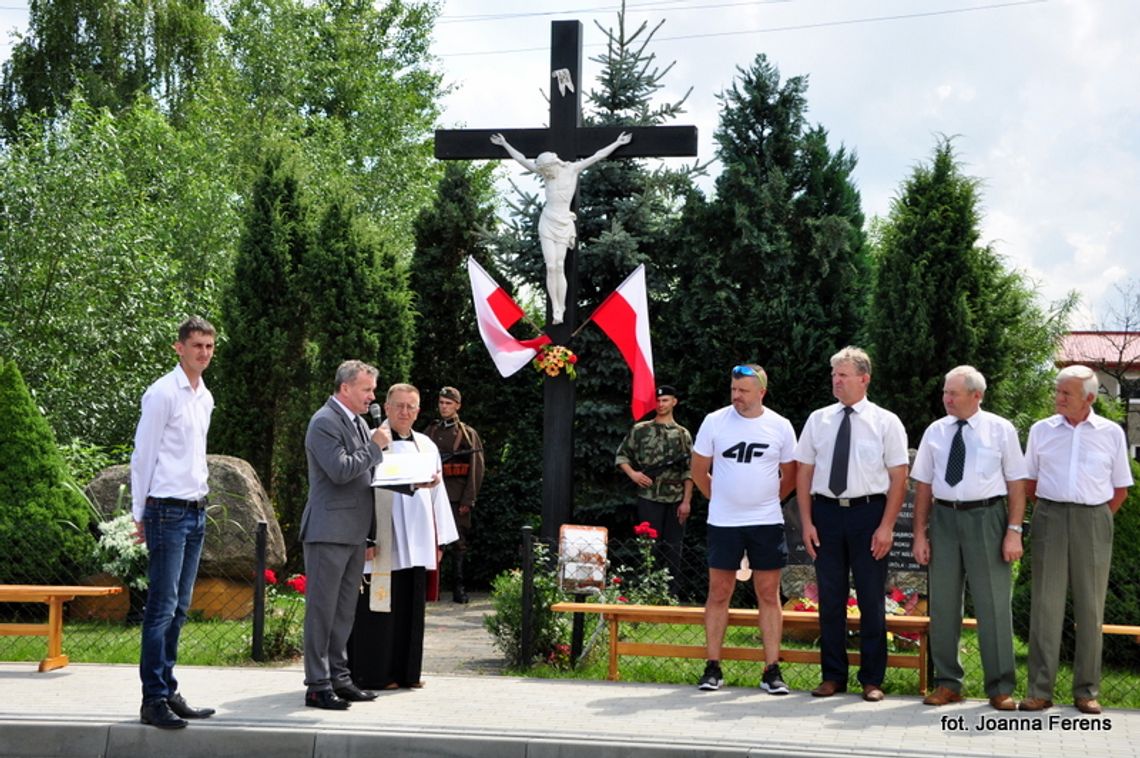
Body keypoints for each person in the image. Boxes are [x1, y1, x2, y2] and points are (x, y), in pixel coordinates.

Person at [794, 347, 908, 702]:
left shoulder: (886, 421)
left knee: (872, 599)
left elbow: (899, 477)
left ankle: (872, 679)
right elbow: (804, 472)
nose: (836, 381)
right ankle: (833, 676)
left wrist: (886, 526)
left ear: (864, 378)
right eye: (833, 375)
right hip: (826, 514)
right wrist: (807, 522)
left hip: (868, 514)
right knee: (830, 598)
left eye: (843, 375)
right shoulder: (819, 419)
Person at [911, 365, 1027, 712]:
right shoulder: (936, 430)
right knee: (944, 604)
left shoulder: (1000, 429)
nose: (946, 398)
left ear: (976, 395)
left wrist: (1014, 531)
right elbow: (924, 486)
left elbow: (1017, 483)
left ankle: (1000, 686)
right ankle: (948, 684)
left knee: (993, 603)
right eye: (945, 392)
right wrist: (919, 533)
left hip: (987, 517)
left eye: (953, 393)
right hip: (944, 517)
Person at [1019, 365, 1133, 715]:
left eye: (1065, 393)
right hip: (1050, 515)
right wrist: (1055, 511)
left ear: (1089, 398)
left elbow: (1120, 489)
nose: (1058, 398)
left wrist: (1093, 518)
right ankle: (1040, 690)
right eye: (1058, 391)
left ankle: (1087, 691)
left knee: (1090, 608)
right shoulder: (1041, 431)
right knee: (1045, 607)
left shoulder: (1111, 433)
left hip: (1094, 518)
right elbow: (1030, 482)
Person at [131, 316, 219, 729]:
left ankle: (168, 688)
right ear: (178, 347)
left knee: (181, 608)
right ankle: (153, 701)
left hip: (196, 509)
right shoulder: (162, 394)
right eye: (196, 345)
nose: (203, 352)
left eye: (209, 346)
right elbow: (143, 456)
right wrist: (138, 513)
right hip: (165, 509)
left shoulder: (204, 397)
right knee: (161, 609)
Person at [690, 364, 797, 693]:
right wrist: (720, 500)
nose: (736, 396)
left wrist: (765, 504)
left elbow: (790, 475)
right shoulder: (715, 421)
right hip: (724, 523)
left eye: (744, 391)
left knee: (768, 594)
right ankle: (712, 668)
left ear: (761, 392)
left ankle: (772, 670)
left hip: (766, 522)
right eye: (733, 390)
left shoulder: (779, 426)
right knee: (719, 593)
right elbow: (698, 471)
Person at [347, 383, 458, 690]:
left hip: (418, 541)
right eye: (398, 406)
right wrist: (365, 537)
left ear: (419, 411)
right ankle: (373, 673)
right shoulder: (372, 441)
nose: (404, 412)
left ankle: (407, 672)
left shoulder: (427, 445)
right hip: (382, 540)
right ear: (386, 406)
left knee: (410, 607)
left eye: (411, 406)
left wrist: (440, 541)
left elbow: (438, 495)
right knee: (378, 610)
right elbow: (360, 491)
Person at [300, 360, 392, 710]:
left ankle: (339, 677)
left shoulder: (356, 421)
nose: (372, 396)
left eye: (372, 389)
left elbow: (365, 474)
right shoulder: (324, 422)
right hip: (328, 530)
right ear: (345, 388)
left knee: (343, 611)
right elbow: (340, 470)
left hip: (352, 531)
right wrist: (375, 447)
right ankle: (317, 684)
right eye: (367, 389)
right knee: (321, 611)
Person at [489, 131, 632, 324]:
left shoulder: (572, 169)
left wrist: (617, 142)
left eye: (547, 171)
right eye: (544, 172)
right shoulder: (546, 173)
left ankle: (562, 306)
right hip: (547, 220)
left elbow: (598, 155)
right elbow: (522, 160)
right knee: (550, 266)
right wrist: (505, 144)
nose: (545, 174)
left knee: (559, 265)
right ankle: (556, 307)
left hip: (564, 221)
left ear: (553, 165)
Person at [614, 384, 694, 593]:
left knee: (673, 547)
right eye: (658, 401)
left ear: (674, 402)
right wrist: (633, 474)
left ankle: (670, 594)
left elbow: (690, 471)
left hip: (675, 497)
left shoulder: (682, 434)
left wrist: (686, 501)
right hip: (649, 496)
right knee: (649, 546)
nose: (661, 404)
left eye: (665, 400)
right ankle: (648, 590)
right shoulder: (641, 430)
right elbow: (622, 455)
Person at [423, 386, 484, 604]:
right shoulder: (430, 431)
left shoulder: (467, 433)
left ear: (457, 405)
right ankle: (431, 588)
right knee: (432, 542)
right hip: (432, 494)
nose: (444, 407)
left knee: (458, 543)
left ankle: (459, 589)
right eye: (441, 403)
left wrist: (469, 499)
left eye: (448, 403)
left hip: (456, 497)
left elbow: (476, 468)